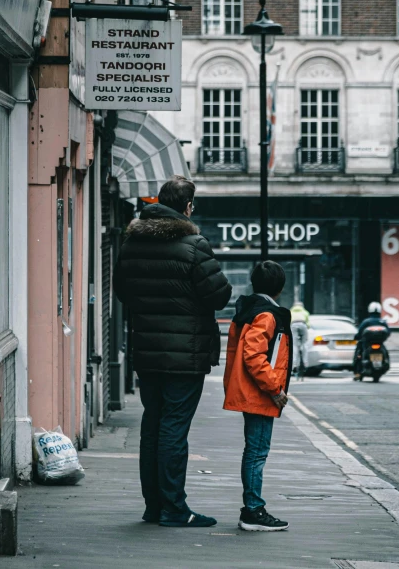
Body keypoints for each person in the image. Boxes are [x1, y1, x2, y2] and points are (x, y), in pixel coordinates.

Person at [114, 175, 232, 527]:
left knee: (152, 425)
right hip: (185, 354)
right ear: (187, 207)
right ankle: (174, 509)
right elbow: (219, 295)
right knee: (173, 429)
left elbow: (121, 290)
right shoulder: (194, 244)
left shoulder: (131, 243)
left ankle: (154, 506)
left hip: (148, 351)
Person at [223, 261, 292, 532]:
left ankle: (252, 508)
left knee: (254, 451)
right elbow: (254, 356)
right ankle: (253, 510)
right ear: (280, 287)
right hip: (260, 394)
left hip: (251, 391)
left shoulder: (250, 309)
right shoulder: (267, 315)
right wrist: (275, 389)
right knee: (257, 452)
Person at [353, 302, 390, 381]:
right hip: (380, 343)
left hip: (367, 344)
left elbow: (359, 332)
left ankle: (357, 373)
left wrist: (356, 337)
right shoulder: (382, 322)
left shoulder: (366, 321)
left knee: (358, 354)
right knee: (385, 352)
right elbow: (388, 332)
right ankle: (385, 360)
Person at [290, 301, 310, 380]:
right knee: (304, 343)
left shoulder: (291, 311)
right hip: (303, 324)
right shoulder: (305, 312)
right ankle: (305, 362)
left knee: (294, 345)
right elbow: (308, 324)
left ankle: (294, 364)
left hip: (293, 325)